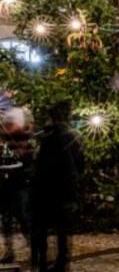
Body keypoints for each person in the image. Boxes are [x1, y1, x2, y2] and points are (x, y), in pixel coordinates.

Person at [31, 101, 83, 272]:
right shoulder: (74, 136)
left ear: (52, 118)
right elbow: (80, 163)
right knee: (63, 229)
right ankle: (62, 262)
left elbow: (42, 167)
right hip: (66, 189)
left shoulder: (49, 138)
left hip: (48, 190)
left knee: (43, 227)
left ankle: (44, 262)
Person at [0, 105, 33, 264]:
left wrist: (19, 154)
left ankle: (35, 250)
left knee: (24, 219)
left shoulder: (25, 139)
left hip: (20, 184)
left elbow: (28, 162)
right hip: (6, 185)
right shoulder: (5, 140)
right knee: (6, 221)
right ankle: (9, 252)